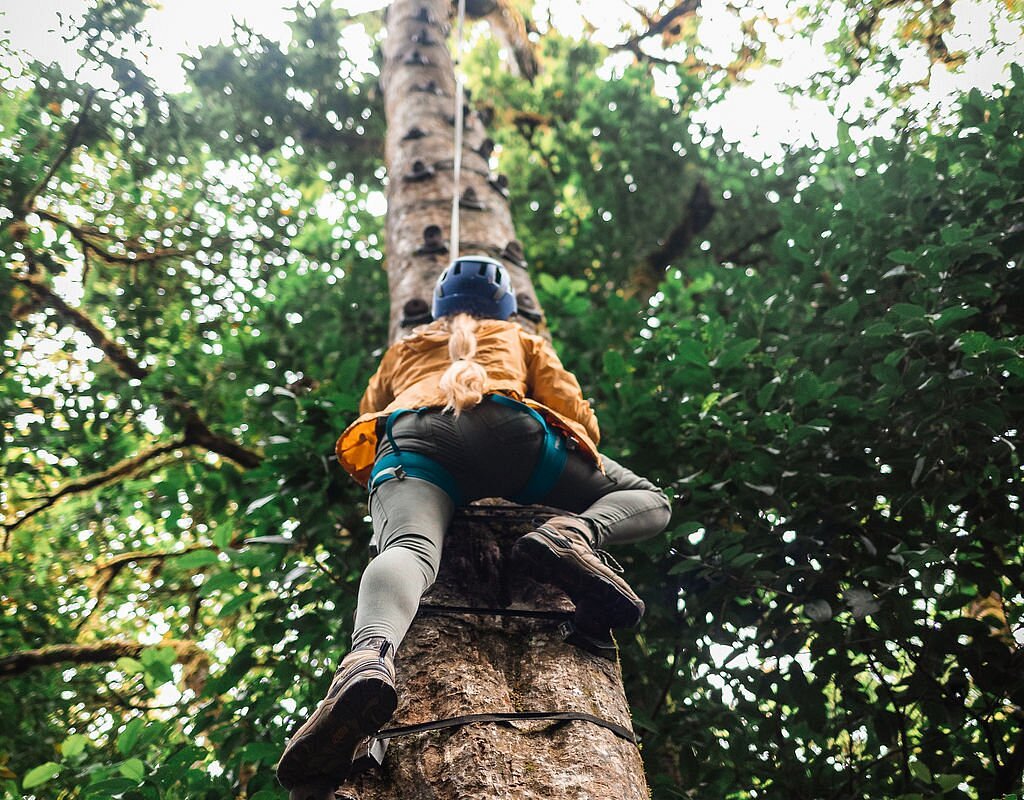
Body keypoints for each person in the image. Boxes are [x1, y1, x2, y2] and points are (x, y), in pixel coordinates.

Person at [276, 255, 671, 791]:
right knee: (647, 497)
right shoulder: (521, 338)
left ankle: (368, 658)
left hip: (414, 438)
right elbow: (575, 416)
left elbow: (371, 411)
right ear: (506, 306)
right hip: (511, 430)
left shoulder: (402, 350)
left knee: (410, 549)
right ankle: (573, 534)